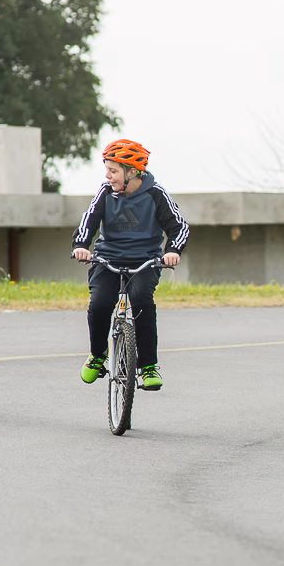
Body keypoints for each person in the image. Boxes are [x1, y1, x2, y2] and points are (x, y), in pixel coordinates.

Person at [72, 139, 189, 390]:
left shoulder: (156, 194)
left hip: (145, 261)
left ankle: (147, 366)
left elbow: (179, 228)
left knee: (141, 302)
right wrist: (81, 245)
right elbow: (88, 221)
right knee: (101, 303)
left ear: (132, 171)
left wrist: (173, 251)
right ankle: (97, 356)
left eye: (113, 171)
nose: (108, 176)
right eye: (107, 170)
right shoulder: (105, 193)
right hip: (107, 259)